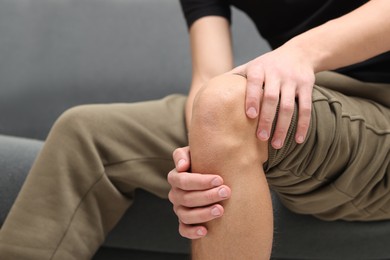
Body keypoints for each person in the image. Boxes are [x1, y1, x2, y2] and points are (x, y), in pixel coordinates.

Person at [0, 0, 389, 259]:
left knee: (230, 106)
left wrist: (300, 52)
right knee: (85, 133)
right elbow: (209, 74)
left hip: (378, 111)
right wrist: (198, 160)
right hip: (307, 97)